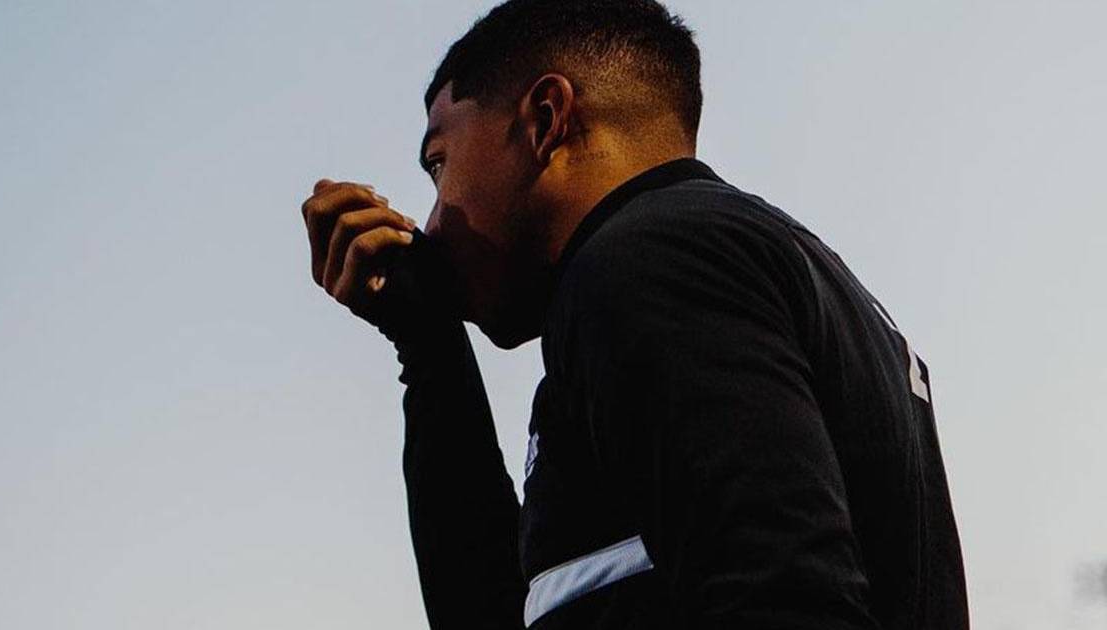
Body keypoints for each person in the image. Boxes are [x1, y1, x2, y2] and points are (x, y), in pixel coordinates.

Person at [300, 1, 970, 628]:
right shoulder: (728, 265)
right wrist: (429, 348)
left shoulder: (650, 261)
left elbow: (785, 602)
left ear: (545, 120)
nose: (432, 224)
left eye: (438, 163)